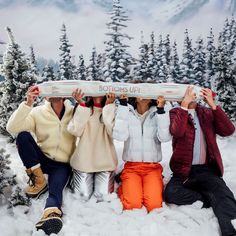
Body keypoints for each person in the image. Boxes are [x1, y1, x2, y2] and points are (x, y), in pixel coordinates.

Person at [164, 86, 236, 236]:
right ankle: (206, 198)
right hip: (184, 171)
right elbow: (177, 131)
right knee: (171, 194)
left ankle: (231, 231)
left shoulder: (207, 113)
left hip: (206, 170)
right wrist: (184, 106)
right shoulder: (175, 113)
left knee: (224, 195)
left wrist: (213, 104)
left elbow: (228, 130)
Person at [6, 86, 76, 235]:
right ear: (45, 96)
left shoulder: (73, 112)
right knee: (23, 136)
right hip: (42, 159)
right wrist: (28, 103)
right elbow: (12, 127)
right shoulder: (37, 112)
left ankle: (50, 214)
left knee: (55, 189)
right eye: (50, 90)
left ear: (64, 96)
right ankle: (39, 181)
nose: (54, 93)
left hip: (62, 165)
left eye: (57, 91)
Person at [112, 91, 171, 212]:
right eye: (141, 91)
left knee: (154, 206)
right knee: (133, 205)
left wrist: (161, 111)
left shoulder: (158, 113)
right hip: (132, 167)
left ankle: (144, 186)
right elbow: (119, 136)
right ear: (135, 97)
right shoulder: (126, 112)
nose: (144, 95)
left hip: (152, 168)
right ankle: (124, 185)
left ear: (152, 98)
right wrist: (123, 106)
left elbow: (165, 137)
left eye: (147, 91)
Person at [67, 89, 118, 201]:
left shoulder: (112, 109)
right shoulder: (83, 108)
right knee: (82, 197)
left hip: (105, 161)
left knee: (103, 198)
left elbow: (114, 132)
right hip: (84, 161)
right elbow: (75, 131)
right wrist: (81, 104)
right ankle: (72, 178)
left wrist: (109, 106)